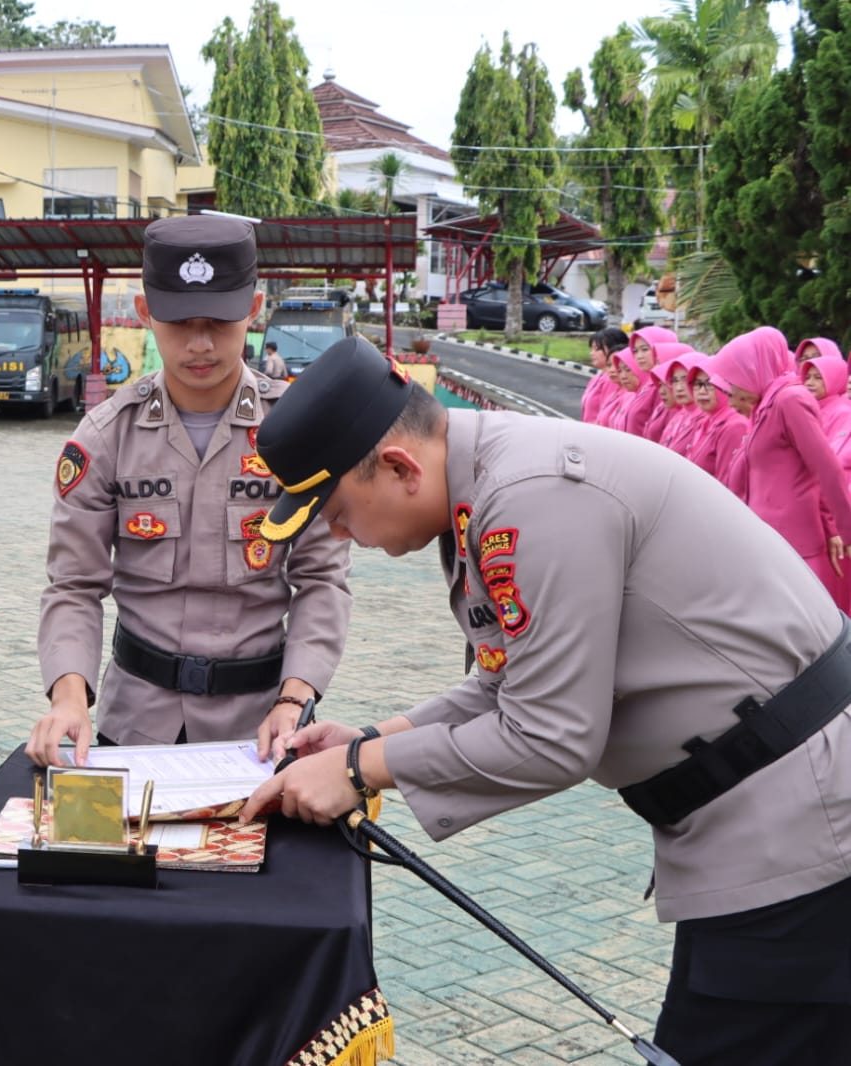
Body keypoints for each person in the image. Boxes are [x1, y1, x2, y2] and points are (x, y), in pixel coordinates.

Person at [245, 335, 851, 1064]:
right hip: (762, 817)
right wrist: (366, 741)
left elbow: (550, 736)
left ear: (399, 467)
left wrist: (358, 771)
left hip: (800, 825)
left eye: (339, 513)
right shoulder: (486, 483)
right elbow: (507, 680)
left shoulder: (529, 497)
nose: (344, 536)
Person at [29, 214, 353, 769]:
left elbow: (322, 580)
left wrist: (295, 697)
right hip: (135, 724)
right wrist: (67, 697)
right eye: (179, 323)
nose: (199, 344)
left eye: (219, 322)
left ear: (253, 310)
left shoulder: (297, 433)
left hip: (261, 727)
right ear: (144, 314)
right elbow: (75, 586)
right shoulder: (107, 438)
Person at [709, 326, 851, 603]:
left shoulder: (790, 400)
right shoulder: (767, 404)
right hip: (771, 539)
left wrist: (844, 529)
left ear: (754, 371)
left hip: (794, 543)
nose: (731, 390)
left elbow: (825, 467)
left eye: (734, 380)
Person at [686, 355, 749, 485]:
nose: (702, 391)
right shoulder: (705, 422)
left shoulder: (734, 425)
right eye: (698, 384)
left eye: (709, 384)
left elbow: (727, 482)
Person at [579, 326, 627, 425]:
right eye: (591, 349)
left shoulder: (612, 379)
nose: (591, 353)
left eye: (597, 349)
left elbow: (605, 416)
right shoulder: (598, 378)